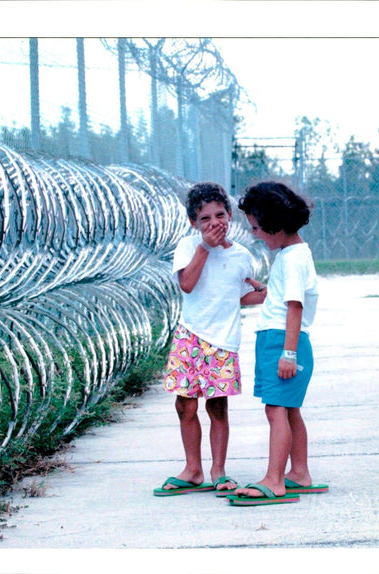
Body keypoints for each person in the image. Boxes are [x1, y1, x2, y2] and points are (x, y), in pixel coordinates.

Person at [154, 182, 266, 497]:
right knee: (185, 406)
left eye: (220, 215)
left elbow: (241, 296)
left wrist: (274, 294)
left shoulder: (242, 255)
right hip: (190, 336)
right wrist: (205, 246)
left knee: (218, 408)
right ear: (194, 222)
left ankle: (219, 470)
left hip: (222, 342)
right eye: (205, 218)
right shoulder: (188, 247)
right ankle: (193, 469)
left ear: (230, 215)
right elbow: (187, 284)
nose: (214, 223)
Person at [226, 180, 329, 507]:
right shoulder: (291, 255)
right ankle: (299, 473)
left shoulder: (293, 259)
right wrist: (266, 289)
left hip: (283, 343)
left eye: (257, 227)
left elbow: (295, 306)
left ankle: (274, 480)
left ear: (276, 225)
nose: (254, 233)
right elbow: (286, 297)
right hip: (281, 340)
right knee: (289, 411)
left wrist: (287, 353)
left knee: (276, 410)